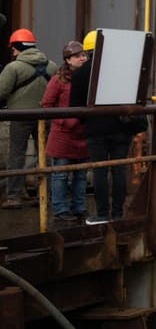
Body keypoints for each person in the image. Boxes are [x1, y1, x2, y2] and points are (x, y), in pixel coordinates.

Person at [67, 37, 138, 225]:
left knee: (99, 171)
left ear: (87, 50)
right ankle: (117, 214)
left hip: (95, 129)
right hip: (121, 128)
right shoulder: (121, 70)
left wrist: (88, 120)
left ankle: (101, 214)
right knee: (119, 170)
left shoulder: (80, 74)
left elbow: (75, 107)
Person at [0, 29, 52, 207]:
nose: (13, 53)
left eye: (13, 49)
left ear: (17, 47)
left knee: (17, 155)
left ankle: (14, 196)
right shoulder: (51, 66)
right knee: (45, 155)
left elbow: (1, 91)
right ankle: (44, 194)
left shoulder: (13, 67)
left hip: (20, 116)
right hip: (46, 116)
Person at [39, 41, 90, 222]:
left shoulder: (89, 79)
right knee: (60, 174)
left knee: (81, 174)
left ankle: (78, 207)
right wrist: (66, 121)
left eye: (84, 55)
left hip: (82, 132)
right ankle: (60, 210)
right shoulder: (58, 79)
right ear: (68, 60)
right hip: (63, 135)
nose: (83, 58)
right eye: (78, 56)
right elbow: (46, 104)